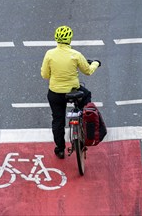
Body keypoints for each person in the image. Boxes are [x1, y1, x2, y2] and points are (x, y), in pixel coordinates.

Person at [41, 25, 101, 159]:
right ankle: (83, 119)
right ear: (70, 39)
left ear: (56, 39)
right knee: (86, 95)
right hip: (73, 91)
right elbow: (88, 71)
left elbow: (45, 75)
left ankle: (60, 149)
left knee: (58, 120)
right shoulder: (76, 55)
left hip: (55, 92)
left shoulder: (49, 54)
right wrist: (96, 63)